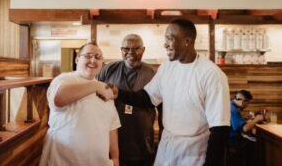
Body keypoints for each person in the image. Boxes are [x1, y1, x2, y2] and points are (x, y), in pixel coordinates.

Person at [104, 19, 231, 166]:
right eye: (165, 38)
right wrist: (118, 93)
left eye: (170, 38)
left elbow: (220, 129)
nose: (165, 44)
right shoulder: (167, 68)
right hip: (167, 148)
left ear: (187, 41)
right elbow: (147, 97)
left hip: (194, 153)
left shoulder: (211, 74)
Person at [39, 42, 120, 166]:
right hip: (62, 161)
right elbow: (58, 98)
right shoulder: (64, 79)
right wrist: (95, 86)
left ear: (102, 64)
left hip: (98, 162)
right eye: (88, 56)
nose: (93, 60)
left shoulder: (104, 89)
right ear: (77, 59)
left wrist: (115, 159)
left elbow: (112, 127)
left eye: (98, 58)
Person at [97, 34, 163, 166]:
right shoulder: (108, 70)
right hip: (112, 140)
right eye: (126, 49)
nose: (130, 53)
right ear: (121, 50)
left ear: (143, 50)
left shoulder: (153, 74)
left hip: (142, 141)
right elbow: (95, 97)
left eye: (136, 48)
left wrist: (162, 139)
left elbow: (162, 109)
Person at [229, 90, 264, 166]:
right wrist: (256, 119)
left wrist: (244, 119)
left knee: (252, 139)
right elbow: (244, 129)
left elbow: (235, 123)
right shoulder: (234, 110)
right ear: (243, 101)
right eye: (247, 104)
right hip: (231, 139)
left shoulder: (230, 105)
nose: (246, 106)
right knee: (256, 144)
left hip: (227, 137)